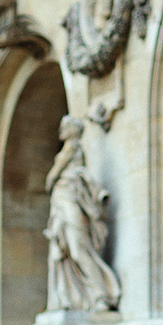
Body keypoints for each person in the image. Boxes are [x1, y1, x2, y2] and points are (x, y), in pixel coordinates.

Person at [44, 115, 121, 312]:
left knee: (79, 249)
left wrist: (52, 180)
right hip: (61, 201)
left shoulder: (72, 147)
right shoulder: (69, 148)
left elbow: (53, 175)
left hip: (70, 199)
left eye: (65, 126)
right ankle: (73, 297)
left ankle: (102, 293)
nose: (60, 129)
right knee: (64, 251)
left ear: (74, 130)